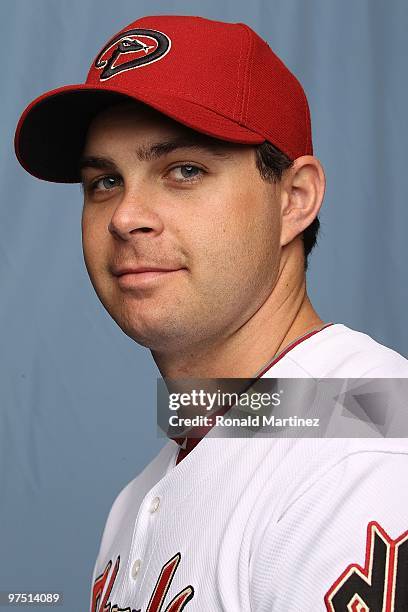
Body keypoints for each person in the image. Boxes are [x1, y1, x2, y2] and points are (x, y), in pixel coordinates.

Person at [14, 14, 408, 612]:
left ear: (293, 199)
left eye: (185, 170)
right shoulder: (153, 486)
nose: (126, 216)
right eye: (104, 182)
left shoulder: (365, 458)